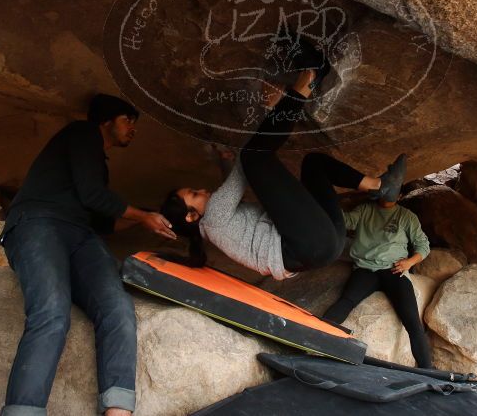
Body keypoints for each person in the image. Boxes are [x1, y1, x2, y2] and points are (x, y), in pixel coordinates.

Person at [160, 35, 407, 280]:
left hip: (325, 241)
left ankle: (379, 186)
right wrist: (270, 108)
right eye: (194, 194)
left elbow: (240, 180)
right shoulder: (212, 217)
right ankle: (310, 75)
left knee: (314, 164)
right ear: (191, 216)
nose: (202, 190)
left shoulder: (217, 223)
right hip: (310, 244)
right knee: (252, 157)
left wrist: (226, 159)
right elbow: (247, 166)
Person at [0, 94, 176, 416]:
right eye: (127, 121)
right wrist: (141, 215)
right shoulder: (81, 133)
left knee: (118, 308)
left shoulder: (96, 164)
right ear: (106, 121)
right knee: (51, 312)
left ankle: (118, 409)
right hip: (40, 222)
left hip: (81, 233)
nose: (132, 129)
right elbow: (93, 194)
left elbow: (100, 218)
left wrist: (149, 219)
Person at [322, 196, 434, 368]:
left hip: (394, 270)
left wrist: (410, 262)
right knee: (346, 301)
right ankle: (313, 337)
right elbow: (346, 221)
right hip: (366, 270)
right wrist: (326, 204)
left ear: (398, 194)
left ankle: (428, 370)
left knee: (412, 320)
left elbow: (423, 245)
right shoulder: (365, 209)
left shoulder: (406, 216)